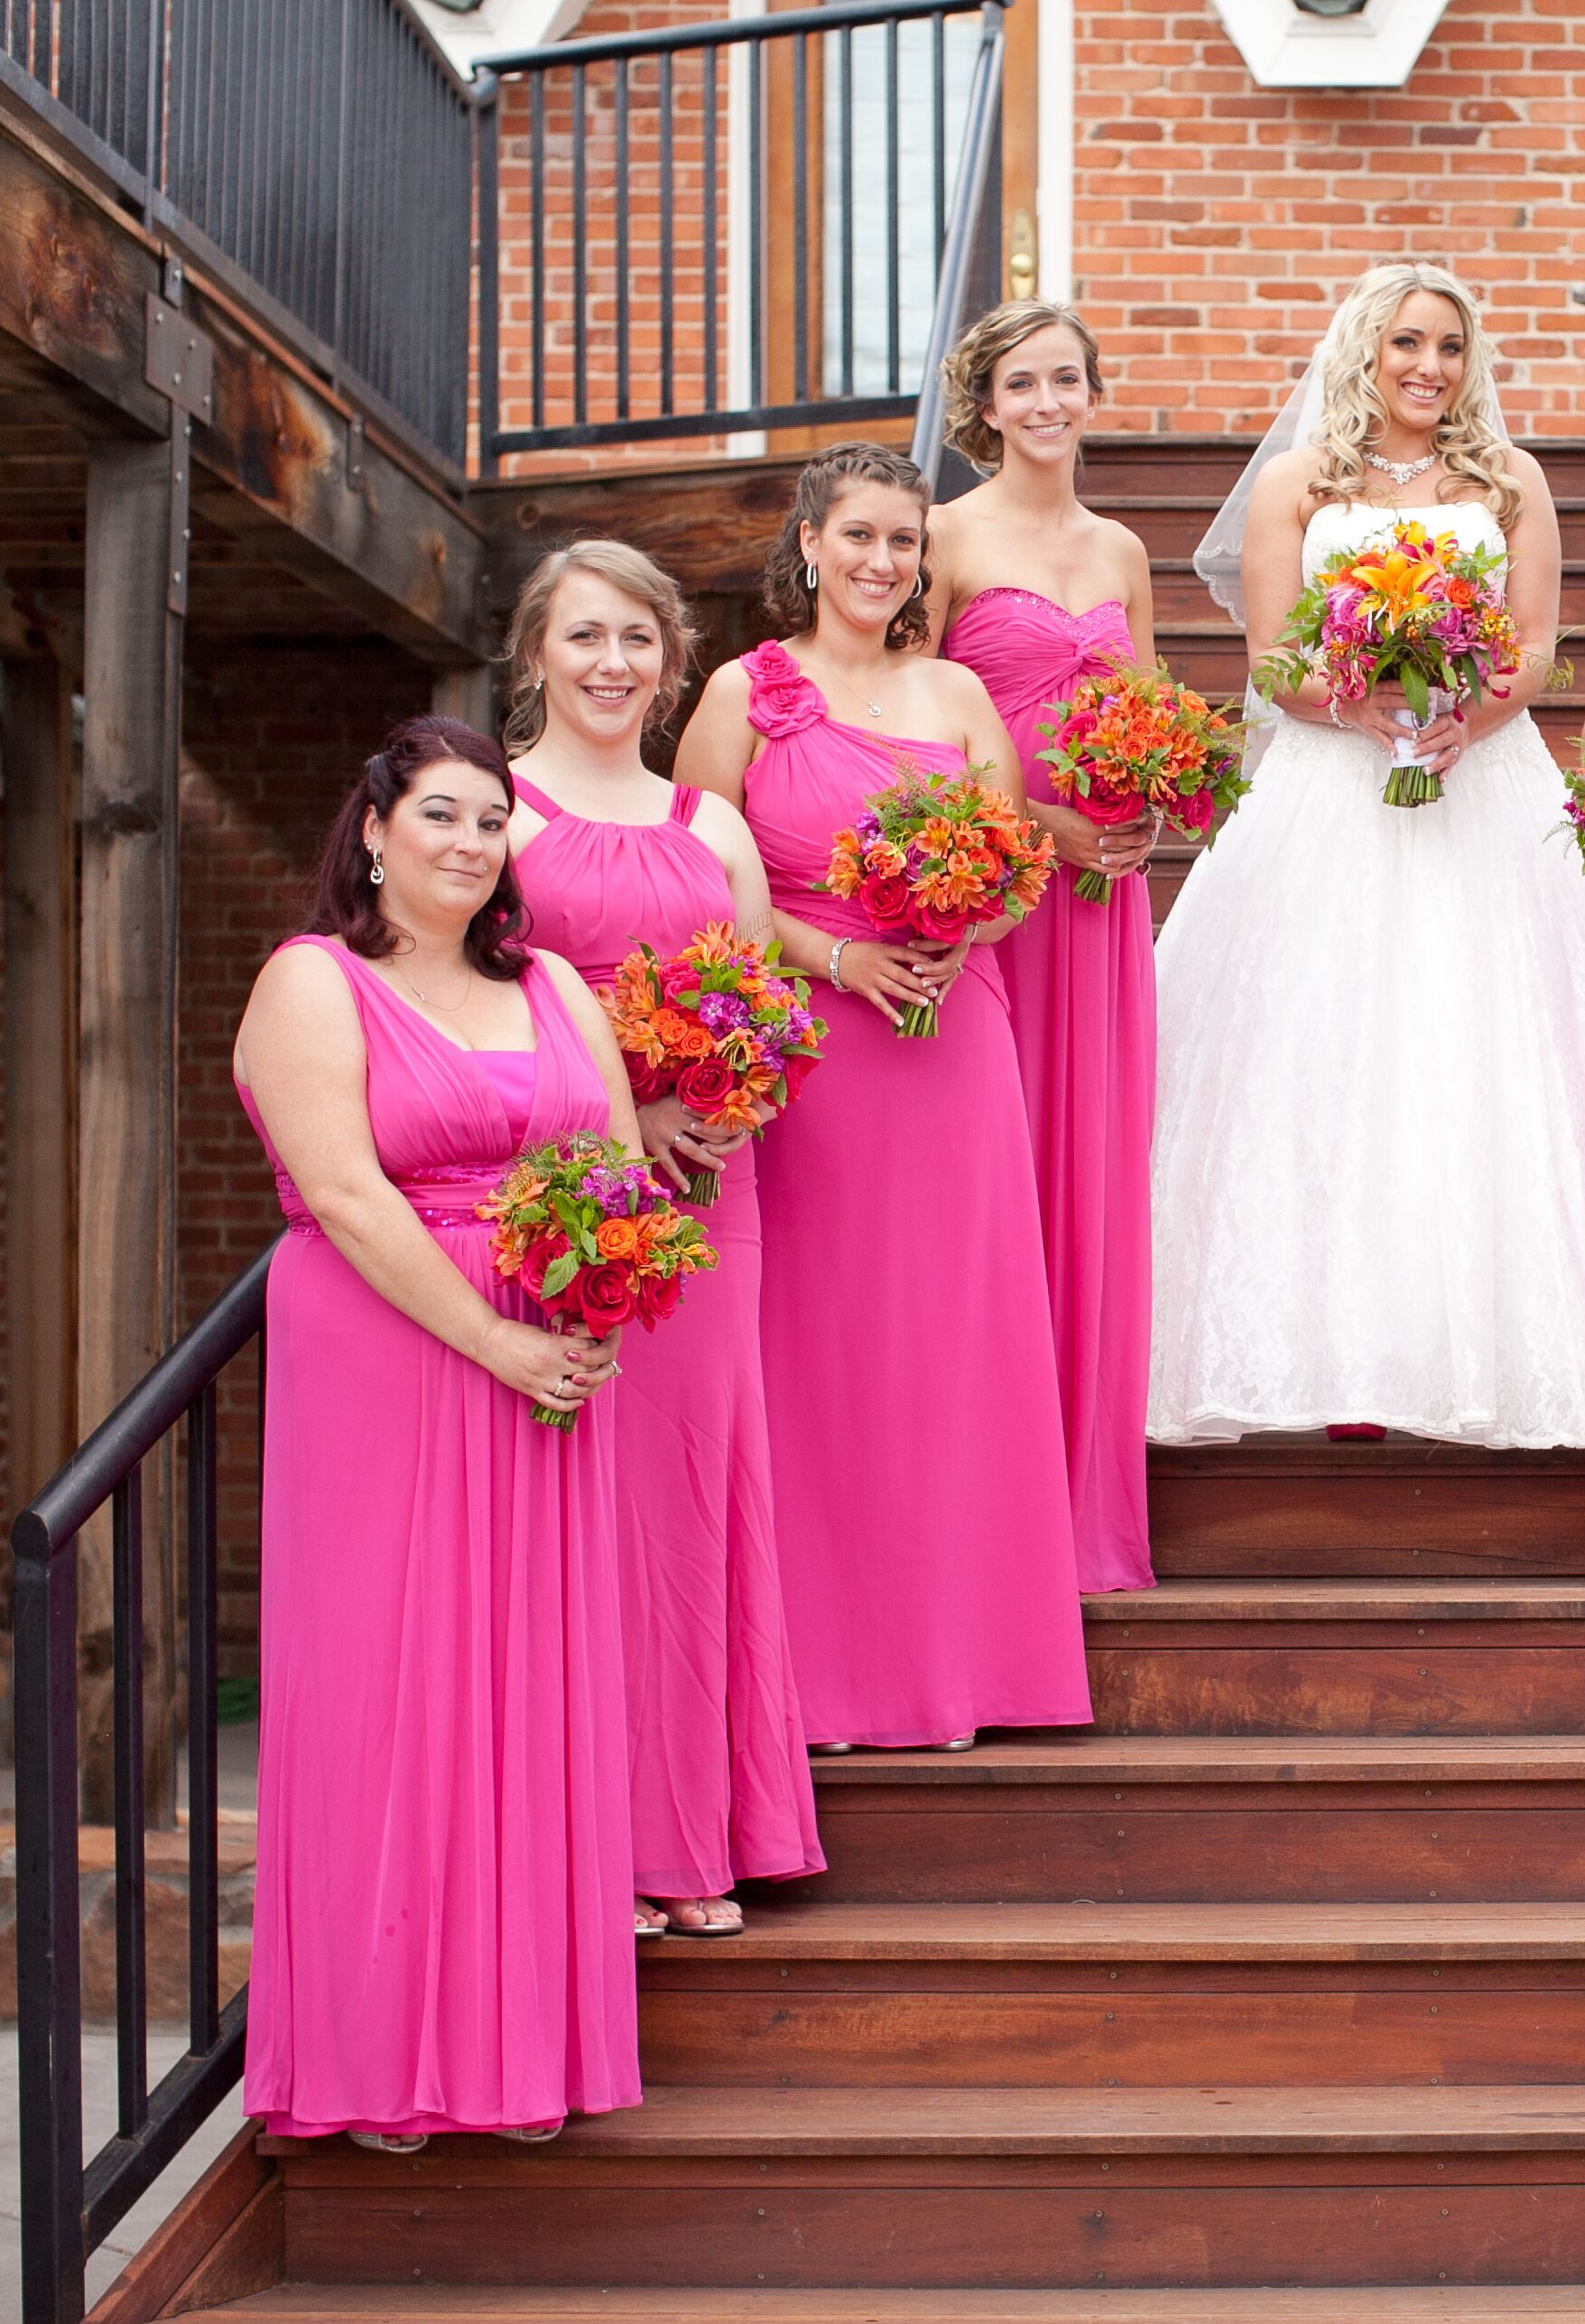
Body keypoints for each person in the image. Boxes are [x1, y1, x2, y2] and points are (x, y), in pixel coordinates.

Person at [230, 714, 642, 2147]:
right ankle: (379, 2052)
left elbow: (625, 1170)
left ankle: (519, 2047)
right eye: (440, 817)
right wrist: (503, 1342)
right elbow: (344, 1198)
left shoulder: (553, 987)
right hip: (392, 1359)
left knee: (532, 1694)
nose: (468, 844)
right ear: (373, 830)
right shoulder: (312, 982)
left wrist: (594, 1305)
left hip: (551, 1370)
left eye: (490, 822)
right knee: (390, 1691)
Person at [1148, 261, 1585, 1446]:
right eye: (1406, 342)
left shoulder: (1511, 482)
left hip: (1483, 779)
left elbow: (1536, 645)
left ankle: (1501, 1349)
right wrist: (1361, 705)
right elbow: (1269, 659)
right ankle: (1314, 1348)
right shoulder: (1294, 484)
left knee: (1485, 1050)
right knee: (1317, 1048)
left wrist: (1468, 706)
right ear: (1361, 351)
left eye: (1450, 347)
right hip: (1328, 782)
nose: (1428, 366)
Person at [676, 441, 1090, 1752]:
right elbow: (699, 881)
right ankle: (820, 1670)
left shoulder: (959, 690)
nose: (879, 562)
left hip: (950, 1038)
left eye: (902, 541)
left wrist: (959, 925)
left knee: (948, 1342)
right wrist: (836, 951)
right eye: (856, 535)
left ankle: (963, 1659)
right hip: (813, 1051)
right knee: (822, 1347)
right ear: (807, 543)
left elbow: (1018, 866)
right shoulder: (744, 692)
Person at [503, 539, 823, 1938]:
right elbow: (473, 1012)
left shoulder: (711, 825)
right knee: (587, 1513)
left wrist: (720, 1100)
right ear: (534, 655)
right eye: (582, 637)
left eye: (635, 637)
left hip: (710, 1198)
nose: (611, 663)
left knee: (696, 1504)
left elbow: (763, 1004)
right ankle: (594, 1843)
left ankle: (693, 1836)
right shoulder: (493, 817)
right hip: (564, 1202)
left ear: (670, 655)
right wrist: (626, 1114)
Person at [928, 302, 1163, 1593]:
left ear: (1090, 395)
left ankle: (1082, 1508)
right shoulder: (947, 538)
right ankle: (992, 1505)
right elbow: (900, 730)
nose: (1047, 402)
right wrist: (1042, 829)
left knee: (1096, 1172)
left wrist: (1146, 803)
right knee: (1001, 1175)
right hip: (1003, 894)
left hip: (1103, 903)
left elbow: (1150, 708)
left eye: (1067, 379)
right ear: (985, 402)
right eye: (1022, 382)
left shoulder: (1121, 546)